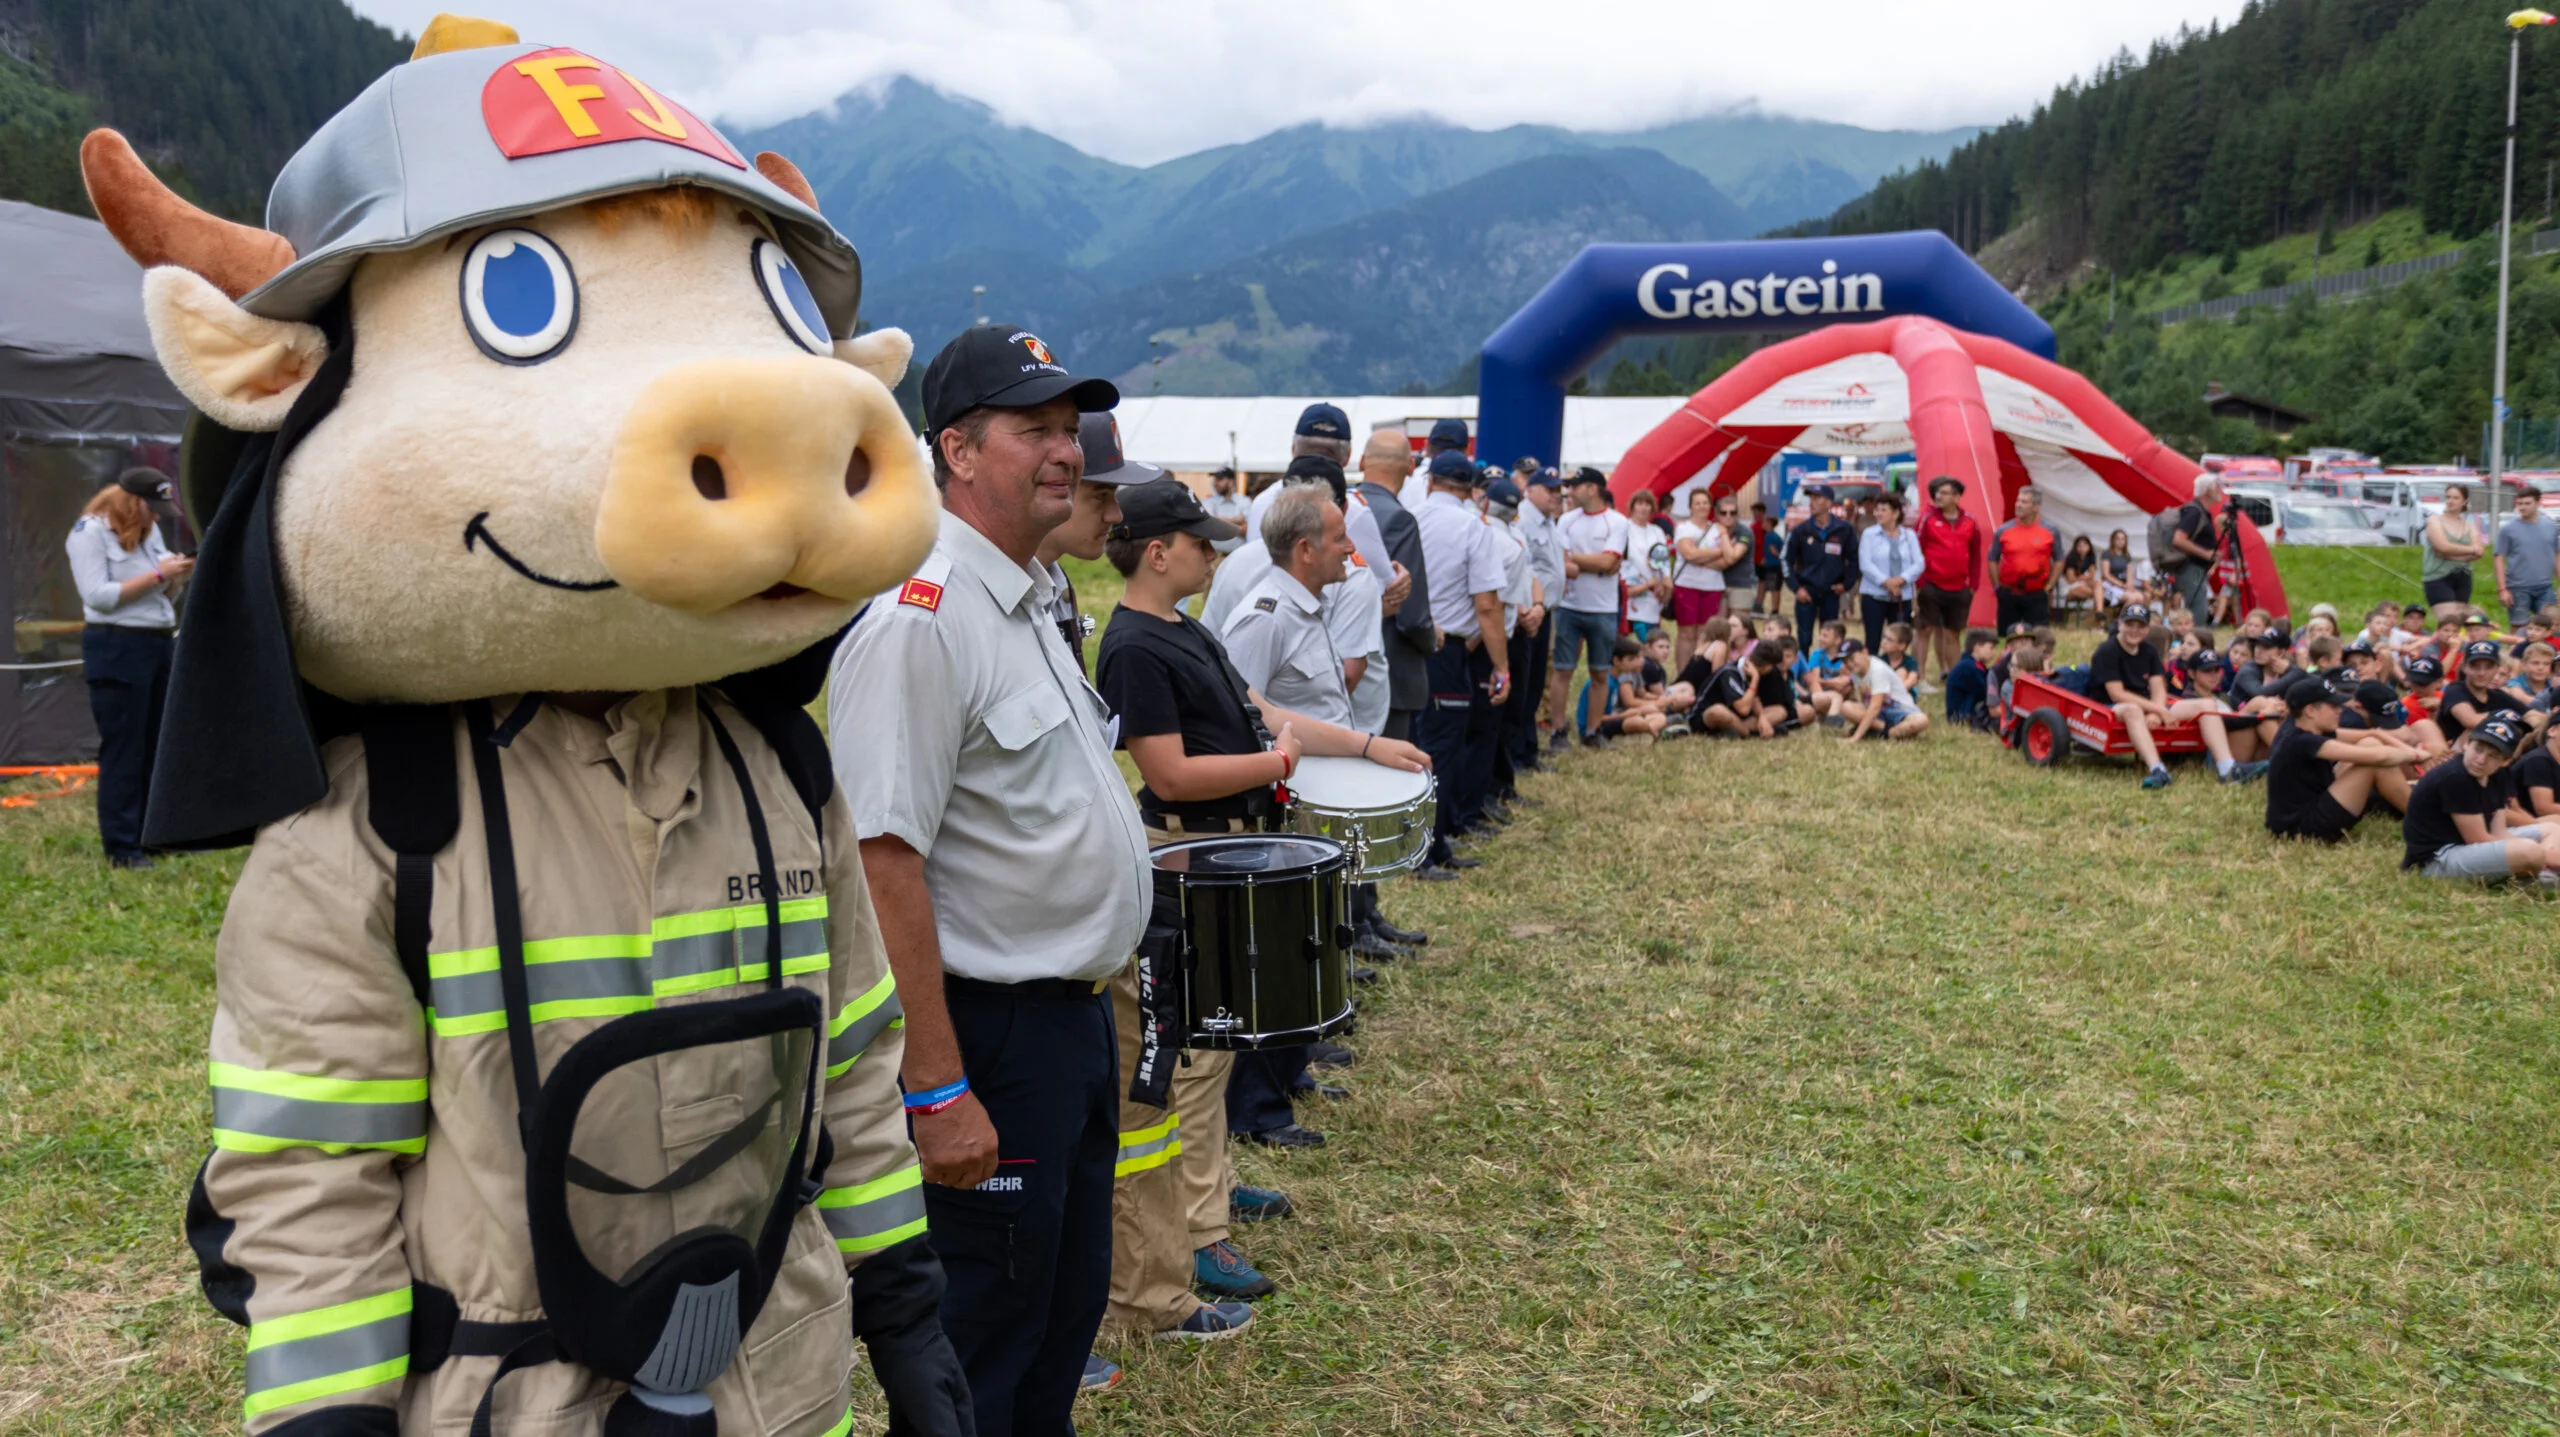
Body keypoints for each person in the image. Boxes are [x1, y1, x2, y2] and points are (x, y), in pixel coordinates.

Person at [828, 325, 1144, 1430]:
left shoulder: (1026, 595)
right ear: (957, 451)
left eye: (1069, 428)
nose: (1066, 452)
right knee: (985, 1348)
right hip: (988, 1039)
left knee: (1056, 1318)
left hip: (1062, 1031)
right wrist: (934, 1084)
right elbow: (881, 858)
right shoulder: (921, 619)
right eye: (1036, 430)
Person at [1093, 479, 1431, 1341]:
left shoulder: (1183, 627)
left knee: (1212, 1052)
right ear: (1158, 551)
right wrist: (1275, 770)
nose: (1217, 554)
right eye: (1202, 542)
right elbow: (1167, 772)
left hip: (1225, 849)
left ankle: (1206, 1196)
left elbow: (1262, 714)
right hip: (1190, 854)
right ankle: (1198, 1229)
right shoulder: (1134, 643)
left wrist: (1359, 745)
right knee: (1193, 1054)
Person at [64, 470, 191, 868]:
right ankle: (122, 847)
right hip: (117, 646)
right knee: (124, 748)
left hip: (156, 642)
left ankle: (153, 837)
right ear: (130, 502)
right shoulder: (89, 533)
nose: (156, 517)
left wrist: (175, 579)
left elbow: (160, 595)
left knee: (156, 744)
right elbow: (98, 597)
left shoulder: (148, 530)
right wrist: (158, 575)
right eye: (151, 508)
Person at [1413, 448, 1511, 861]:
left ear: (1431, 481)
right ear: (1471, 489)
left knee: (1410, 742)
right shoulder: (1474, 526)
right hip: (1449, 650)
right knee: (1445, 747)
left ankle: (1413, 838)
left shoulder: (1411, 516)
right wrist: (1502, 665)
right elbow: (1487, 605)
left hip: (1406, 643)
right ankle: (1432, 846)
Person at [2091, 603, 2266, 790]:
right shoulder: (2107, 651)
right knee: (2133, 710)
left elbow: (2158, 688)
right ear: (2120, 625)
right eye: (2130, 624)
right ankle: (2157, 769)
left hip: (2149, 706)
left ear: (2147, 629)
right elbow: (2117, 694)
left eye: (2140, 626)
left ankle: (2227, 768)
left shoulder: (2148, 650)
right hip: (2109, 707)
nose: (2134, 630)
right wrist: (2157, 709)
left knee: (2206, 704)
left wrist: (2156, 712)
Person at [2401, 717, 2559, 883]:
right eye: (2479, 749)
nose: (2481, 759)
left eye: (2494, 755)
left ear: (2506, 762)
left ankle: (2541, 871)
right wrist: (2545, 855)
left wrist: (2538, 852)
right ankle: (2541, 869)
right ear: (2466, 744)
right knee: (2529, 851)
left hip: (2468, 846)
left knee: (2553, 829)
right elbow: (2477, 838)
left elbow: (2498, 831)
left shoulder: (2499, 775)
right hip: (2437, 859)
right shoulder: (2456, 777)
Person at [2264, 677, 2422, 842]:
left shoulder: (2300, 726)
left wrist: (2408, 750)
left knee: (2370, 743)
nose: (2340, 710)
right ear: (2310, 710)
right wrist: (2417, 755)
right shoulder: (2302, 741)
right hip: (2301, 830)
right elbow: (2380, 757)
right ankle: (2424, 819)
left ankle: (2412, 797)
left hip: (2304, 811)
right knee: (2375, 763)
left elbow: (2373, 734)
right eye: (2332, 706)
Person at [1355, 429, 1437, 745]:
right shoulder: (1399, 520)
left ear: (1362, 461)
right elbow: (1411, 613)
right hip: (1387, 668)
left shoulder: (1343, 508)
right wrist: (1432, 640)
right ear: (1411, 467)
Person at [1546, 467, 1629, 750]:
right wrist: (1598, 562)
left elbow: (1607, 564)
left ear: (1592, 489)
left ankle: (1592, 731)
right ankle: (1558, 730)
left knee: (1600, 672)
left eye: (1576, 486)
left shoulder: (1617, 522)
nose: (1570, 491)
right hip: (1569, 605)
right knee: (1563, 670)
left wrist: (1577, 562)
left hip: (1603, 608)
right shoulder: (1566, 520)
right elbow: (1565, 563)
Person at [1513, 467, 1566, 764]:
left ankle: (1528, 746)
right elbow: (1527, 570)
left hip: (1546, 609)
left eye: (1558, 491)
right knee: (1526, 682)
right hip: (1530, 612)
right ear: (1530, 490)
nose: (1555, 496)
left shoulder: (1548, 522)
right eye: (1549, 490)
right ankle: (1520, 749)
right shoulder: (1523, 521)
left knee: (1535, 682)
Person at [1914, 476, 1983, 686]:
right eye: (1937, 493)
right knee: (1924, 630)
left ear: (1956, 496)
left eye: (1944, 493)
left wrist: (1973, 586)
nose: (1938, 497)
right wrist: (1921, 583)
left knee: (1953, 633)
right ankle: (1919, 678)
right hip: (1931, 585)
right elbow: (1916, 550)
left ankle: (1954, 679)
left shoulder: (1970, 522)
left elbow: (1976, 555)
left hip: (1959, 587)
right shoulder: (1927, 520)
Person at [1783, 484, 1854, 650]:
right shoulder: (1800, 530)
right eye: (1810, 499)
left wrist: (1846, 584)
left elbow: (1854, 559)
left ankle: (1827, 672)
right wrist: (1796, 588)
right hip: (1806, 592)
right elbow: (1785, 560)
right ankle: (1803, 671)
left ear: (1828, 503)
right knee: (1804, 638)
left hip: (1831, 592)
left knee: (1830, 638)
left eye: (1816, 498)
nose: (1811, 503)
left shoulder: (1843, 529)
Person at [1670, 488, 1733, 670]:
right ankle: (1683, 673)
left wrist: (1704, 555)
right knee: (1686, 633)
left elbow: (1729, 558)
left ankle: (1699, 673)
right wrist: (1717, 552)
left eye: (1705, 502)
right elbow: (1689, 554)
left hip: (1712, 586)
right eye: (1697, 503)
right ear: (1690, 507)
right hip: (1687, 585)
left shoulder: (1718, 529)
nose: (1702, 506)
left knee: (1705, 633)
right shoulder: (1684, 528)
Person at [1856, 492, 1922, 654]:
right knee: (1872, 640)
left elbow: (1919, 563)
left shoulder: (1909, 535)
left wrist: (1901, 580)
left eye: (1883, 510)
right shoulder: (1869, 534)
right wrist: (1886, 582)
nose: (1878, 513)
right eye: (1877, 510)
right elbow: (1865, 564)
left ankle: (1898, 674)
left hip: (1902, 596)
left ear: (1896, 513)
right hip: (1874, 595)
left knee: (1898, 641)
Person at [1988, 487, 2059, 633]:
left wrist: (2049, 586)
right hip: (2009, 593)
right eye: (2018, 501)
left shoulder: (2050, 531)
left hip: (2037, 593)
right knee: (2006, 636)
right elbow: (1992, 558)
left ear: (2035, 507)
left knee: (2038, 636)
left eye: (2024, 502)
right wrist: (1997, 586)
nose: (2018, 505)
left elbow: (2059, 559)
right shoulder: (2004, 530)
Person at [1841, 635, 1928, 741]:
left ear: (1865, 652)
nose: (1849, 664)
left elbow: (1875, 707)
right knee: (1846, 707)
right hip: (1879, 716)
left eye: (1851, 658)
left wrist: (1855, 737)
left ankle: (1882, 732)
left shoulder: (1877, 670)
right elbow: (1865, 701)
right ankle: (1888, 732)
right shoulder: (1856, 671)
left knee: (1921, 721)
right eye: (1845, 661)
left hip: (1900, 711)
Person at [2494, 488, 2559, 626]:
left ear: (2537, 503)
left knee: (2549, 625)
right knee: (2519, 627)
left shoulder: (2551, 527)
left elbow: (2556, 556)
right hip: (2518, 587)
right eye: (2520, 503)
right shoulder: (2508, 529)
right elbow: (2499, 558)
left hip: (2545, 587)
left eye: (2527, 503)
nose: (2522, 507)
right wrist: (2502, 589)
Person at [2163, 476, 2222, 618]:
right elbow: (2179, 539)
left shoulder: (2199, 511)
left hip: (2195, 569)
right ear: (2208, 490)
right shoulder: (2194, 511)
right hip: (2191, 568)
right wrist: (2206, 554)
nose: (2220, 490)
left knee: (2197, 610)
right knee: (2198, 613)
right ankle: (2194, 638)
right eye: (2216, 487)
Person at [2423, 483, 2486, 613]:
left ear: (2464, 501)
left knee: (2460, 621)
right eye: (2448, 497)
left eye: (2455, 498)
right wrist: (2470, 550)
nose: (2450, 501)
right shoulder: (2435, 520)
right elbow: (2442, 546)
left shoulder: (2469, 524)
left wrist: (2451, 555)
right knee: (2448, 620)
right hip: (2438, 576)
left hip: (2463, 576)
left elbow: (2479, 551)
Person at [1620, 489, 1671, 641]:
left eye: (1647, 504)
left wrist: (1664, 580)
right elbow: (1633, 558)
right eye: (1640, 504)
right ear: (1633, 506)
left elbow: (1663, 558)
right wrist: (1650, 582)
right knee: (1637, 632)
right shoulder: (1625, 527)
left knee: (1653, 634)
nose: (1643, 508)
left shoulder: (1657, 531)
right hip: (1634, 586)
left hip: (1654, 592)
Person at [1944, 627, 1997, 725]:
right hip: (1960, 716)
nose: (1994, 652)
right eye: (1991, 647)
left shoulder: (1972, 665)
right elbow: (1986, 692)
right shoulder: (1968, 668)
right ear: (1977, 646)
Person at [1203, 466, 1249, 554]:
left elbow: (1247, 530)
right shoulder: (1208, 501)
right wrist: (1237, 520)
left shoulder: (1244, 501)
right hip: (1215, 556)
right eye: (1215, 479)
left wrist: (1217, 521)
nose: (1215, 483)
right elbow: (1209, 523)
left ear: (1231, 482)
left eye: (1220, 479)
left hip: (1238, 555)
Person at [2058, 535, 2101, 616]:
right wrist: (2084, 577)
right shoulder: (2071, 559)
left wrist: (2083, 578)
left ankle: (2099, 613)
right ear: (2075, 547)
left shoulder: (2091, 558)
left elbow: (2091, 575)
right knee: (2097, 593)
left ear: (2089, 547)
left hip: (2083, 584)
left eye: (2085, 545)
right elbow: (2071, 579)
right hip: (2070, 587)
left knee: (2098, 584)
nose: (2082, 548)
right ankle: (2095, 613)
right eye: (2079, 546)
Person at [2100, 528, 2140, 614]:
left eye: (2122, 539)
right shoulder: (2107, 554)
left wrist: (2130, 585)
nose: (2120, 541)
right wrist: (2121, 585)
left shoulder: (2127, 555)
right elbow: (2106, 575)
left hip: (2123, 584)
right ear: (2113, 540)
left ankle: (2126, 619)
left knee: (2140, 597)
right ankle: (2120, 621)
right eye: (2117, 539)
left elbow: (2129, 573)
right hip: (2111, 585)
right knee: (2131, 598)